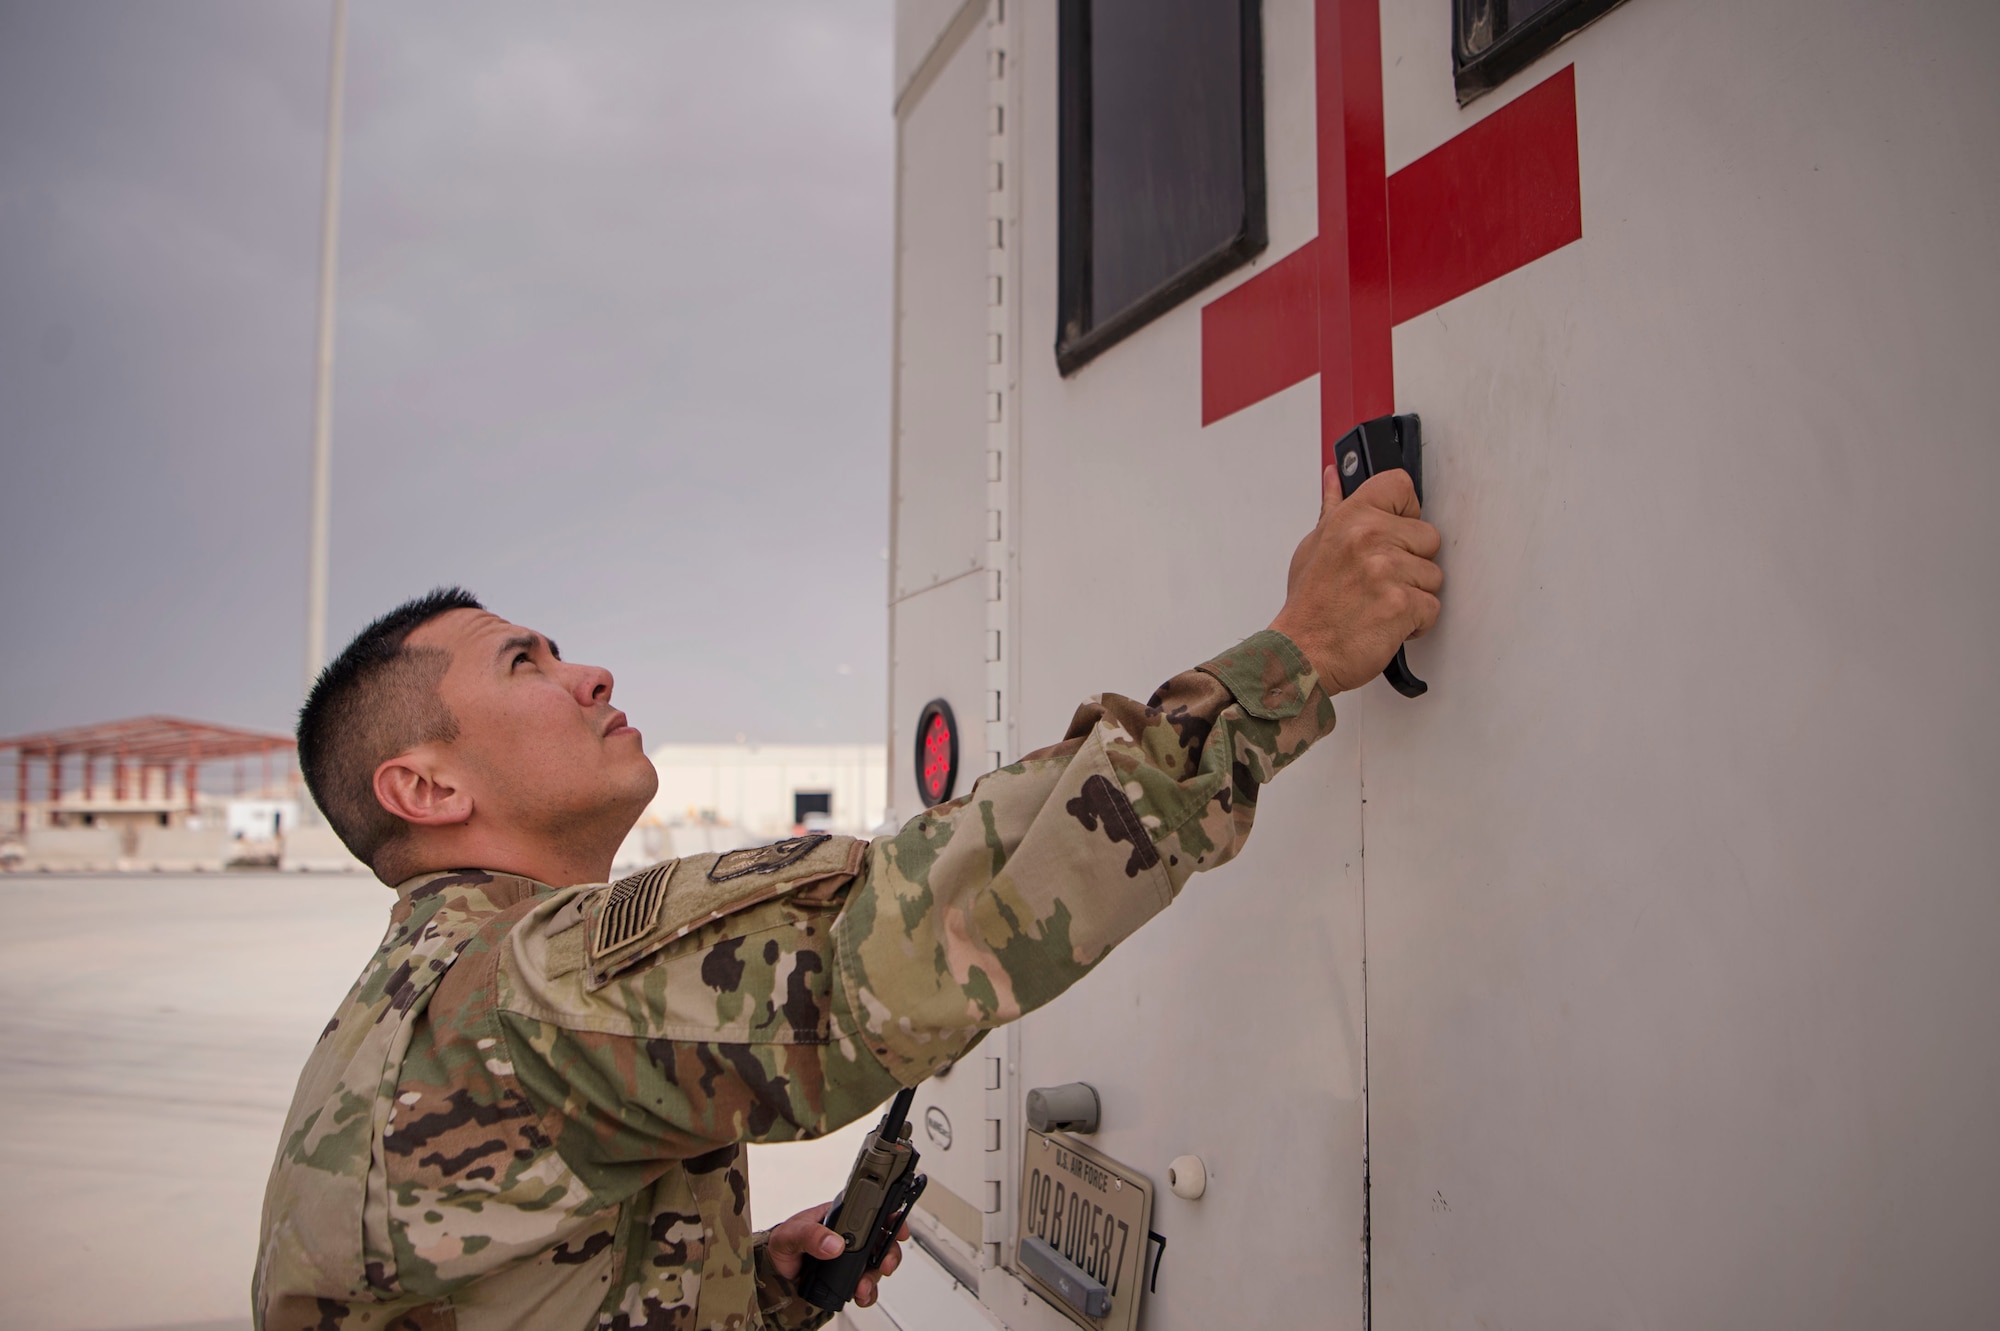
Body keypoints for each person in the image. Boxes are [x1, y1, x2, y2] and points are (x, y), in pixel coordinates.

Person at [255, 466, 1442, 1331]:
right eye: (526, 662)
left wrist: (741, 1288)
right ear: (421, 784)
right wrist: (1290, 655)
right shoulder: (520, 983)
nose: (589, 671)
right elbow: (916, 931)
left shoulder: (426, 987)